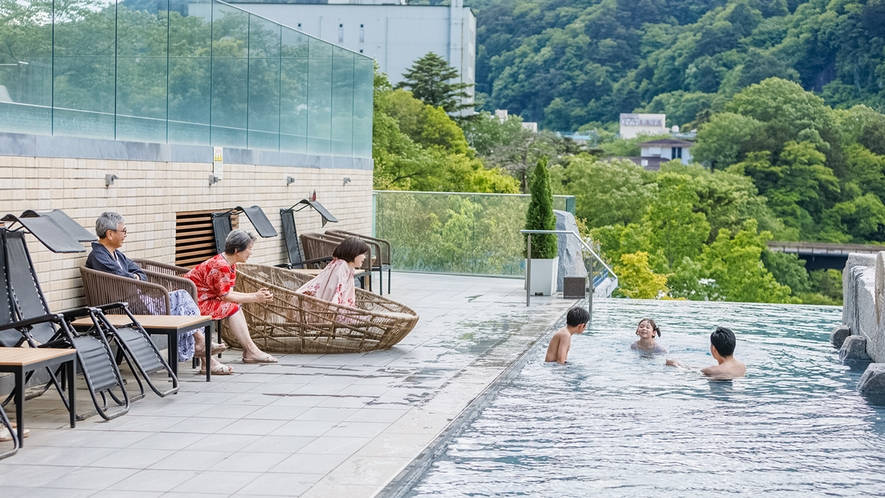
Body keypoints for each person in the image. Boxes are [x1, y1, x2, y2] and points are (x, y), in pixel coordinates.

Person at [85, 212, 230, 374]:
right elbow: (124, 278)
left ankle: (202, 348)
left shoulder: (116, 254)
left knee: (181, 297)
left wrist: (135, 277)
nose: (125, 235)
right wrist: (135, 277)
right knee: (180, 300)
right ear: (110, 234)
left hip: (135, 302)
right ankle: (203, 347)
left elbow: (139, 273)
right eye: (123, 231)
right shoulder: (99, 255)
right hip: (122, 308)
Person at [186, 229, 278, 364]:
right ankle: (250, 350)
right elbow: (226, 297)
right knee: (233, 306)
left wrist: (255, 295)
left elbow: (228, 293)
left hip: (202, 300)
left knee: (235, 306)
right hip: (193, 304)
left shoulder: (229, 264)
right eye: (249, 248)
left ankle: (250, 350)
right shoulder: (221, 266)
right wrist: (255, 297)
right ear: (237, 251)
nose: (251, 252)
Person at [295, 236, 369, 307]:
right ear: (354, 252)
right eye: (362, 253)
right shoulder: (341, 267)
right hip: (315, 306)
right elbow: (333, 294)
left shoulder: (347, 268)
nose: (364, 257)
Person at [665, 326, 746, 379]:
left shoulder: (712, 371)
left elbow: (690, 372)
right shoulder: (741, 366)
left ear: (714, 349)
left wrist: (676, 365)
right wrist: (680, 364)